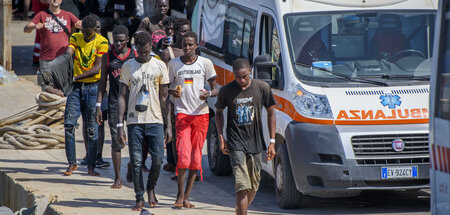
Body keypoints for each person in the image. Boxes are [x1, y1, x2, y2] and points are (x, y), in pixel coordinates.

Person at [117, 30, 172, 211]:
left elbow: (165, 98)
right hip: (134, 121)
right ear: (135, 49)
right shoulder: (128, 66)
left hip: (155, 119)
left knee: (157, 159)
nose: (143, 55)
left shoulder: (160, 66)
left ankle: (150, 188)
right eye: (140, 52)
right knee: (137, 161)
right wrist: (120, 125)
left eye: (146, 52)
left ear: (151, 48)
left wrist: (168, 125)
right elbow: (122, 97)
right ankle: (139, 197)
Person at [215, 58, 277, 215]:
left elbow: (271, 113)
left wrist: (272, 142)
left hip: (255, 143)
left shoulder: (262, 88)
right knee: (242, 186)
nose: (241, 80)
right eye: (237, 77)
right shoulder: (226, 91)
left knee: (254, 185)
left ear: (250, 71)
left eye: (244, 76)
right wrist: (221, 137)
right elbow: (219, 113)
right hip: (236, 143)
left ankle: (240, 210)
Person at [168, 31, 217, 208]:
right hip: (182, 114)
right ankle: (179, 196)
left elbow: (215, 88)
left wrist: (209, 94)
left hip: (201, 115)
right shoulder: (173, 64)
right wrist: (173, 92)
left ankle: (187, 197)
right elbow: (166, 89)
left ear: (196, 45)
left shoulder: (206, 63)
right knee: (183, 157)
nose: (187, 48)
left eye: (190, 45)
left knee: (196, 159)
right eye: (184, 45)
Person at [63, 14, 109, 176]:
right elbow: (70, 51)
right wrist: (63, 60)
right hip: (75, 89)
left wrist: (74, 77)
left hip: (93, 88)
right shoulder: (76, 36)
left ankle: (91, 166)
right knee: (69, 124)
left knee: (92, 129)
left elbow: (97, 68)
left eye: (89, 34)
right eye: (84, 33)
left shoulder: (102, 42)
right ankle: (72, 163)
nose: (86, 36)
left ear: (94, 32)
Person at [96, 25, 137, 189]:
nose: (118, 44)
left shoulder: (134, 56)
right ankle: (118, 178)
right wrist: (98, 105)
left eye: (121, 41)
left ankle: (131, 166)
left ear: (127, 40)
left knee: (136, 141)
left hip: (133, 103)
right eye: (115, 40)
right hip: (114, 103)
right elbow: (101, 83)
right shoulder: (107, 56)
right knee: (116, 142)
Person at [24, 0, 81, 96]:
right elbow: (26, 29)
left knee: (65, 91)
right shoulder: (41, 15)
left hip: (64, 61)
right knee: (48, 91)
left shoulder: (68, 15)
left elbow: (82, 24)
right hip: (47, 61)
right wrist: (34, 26)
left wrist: (83, 24)